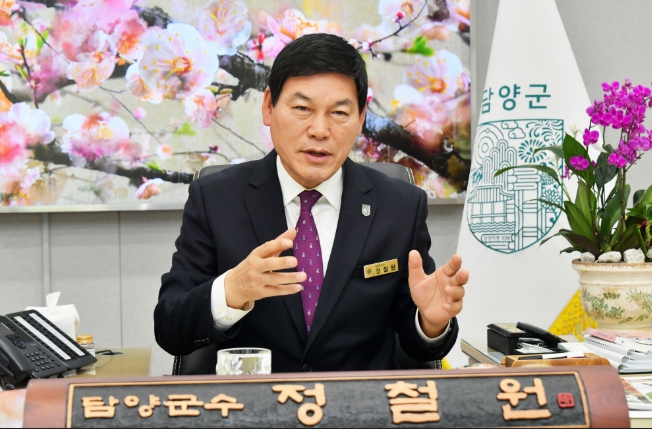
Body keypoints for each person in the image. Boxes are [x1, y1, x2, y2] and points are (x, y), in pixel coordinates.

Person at [154, 33, 468, 373]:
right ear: (269, 106)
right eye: (302, 109)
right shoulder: (216, 198)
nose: (319, 130)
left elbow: (415, 338)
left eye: (339, 112)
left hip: (360, 401)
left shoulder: (399, 206)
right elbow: (170, 327)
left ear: (361, 118)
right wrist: (232, 289)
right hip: (253, 401)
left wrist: (430, 323)